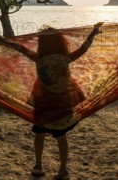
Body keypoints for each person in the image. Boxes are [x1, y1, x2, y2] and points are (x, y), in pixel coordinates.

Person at [27, 24, 102, 179]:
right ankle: (63, 170)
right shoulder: (65, 58)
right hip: (62, 104)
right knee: (61, 137)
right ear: (60, 42)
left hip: (43, 105)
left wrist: (3, 41)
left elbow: (19, 49)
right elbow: (83, 48)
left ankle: (38, 165)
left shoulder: (38, 58)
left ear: (41, 44)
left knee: (39, 135)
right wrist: (92, 33)